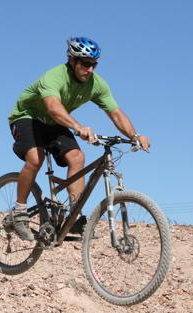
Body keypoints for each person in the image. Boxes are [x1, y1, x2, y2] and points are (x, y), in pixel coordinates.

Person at [8, 36, 150, 241]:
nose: (90, 69)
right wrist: (78, 127)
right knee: (35, 159)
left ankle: (74, 216)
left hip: (54, 123)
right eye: (85, 63)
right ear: (72, 60)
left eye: (94, 64)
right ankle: (19, 213)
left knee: (77, 158)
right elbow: (53, 107)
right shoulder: (54, 76)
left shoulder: (96, 84)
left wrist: (134, 135)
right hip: (27, 117)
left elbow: (116, 113)